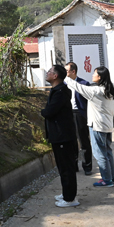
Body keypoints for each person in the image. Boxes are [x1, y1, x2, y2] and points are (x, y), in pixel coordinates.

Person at [65, 66, 114, 187]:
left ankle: (106, 180)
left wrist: (65, 77)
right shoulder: (109, 89)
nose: (92, 75)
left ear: (100, 77)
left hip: (97, 125)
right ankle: (112, 177)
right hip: (107, 124)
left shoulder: (96, 91)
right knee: (108, 152)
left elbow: (78, 87)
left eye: (95, 73)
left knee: (100, 153)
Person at [41, 65, 80, 207]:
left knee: (67, 168)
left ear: (55, 76)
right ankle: (66, 193)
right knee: (63, 167)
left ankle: (70, 199)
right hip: (59, 135)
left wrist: (43, 111)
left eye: (50, 71)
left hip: (63, 136)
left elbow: (49, 112)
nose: (47, 73)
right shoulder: (58, 90)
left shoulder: (61, 92)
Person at [66, 62, 93, 175]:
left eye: (67, 71)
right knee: (71, 141)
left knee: (83, 141)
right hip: (68, 114)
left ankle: (87, 166)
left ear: (73, 71)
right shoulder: (64, 84)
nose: (65, 73)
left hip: (80, 114)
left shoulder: (84, 84)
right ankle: (73, 165)